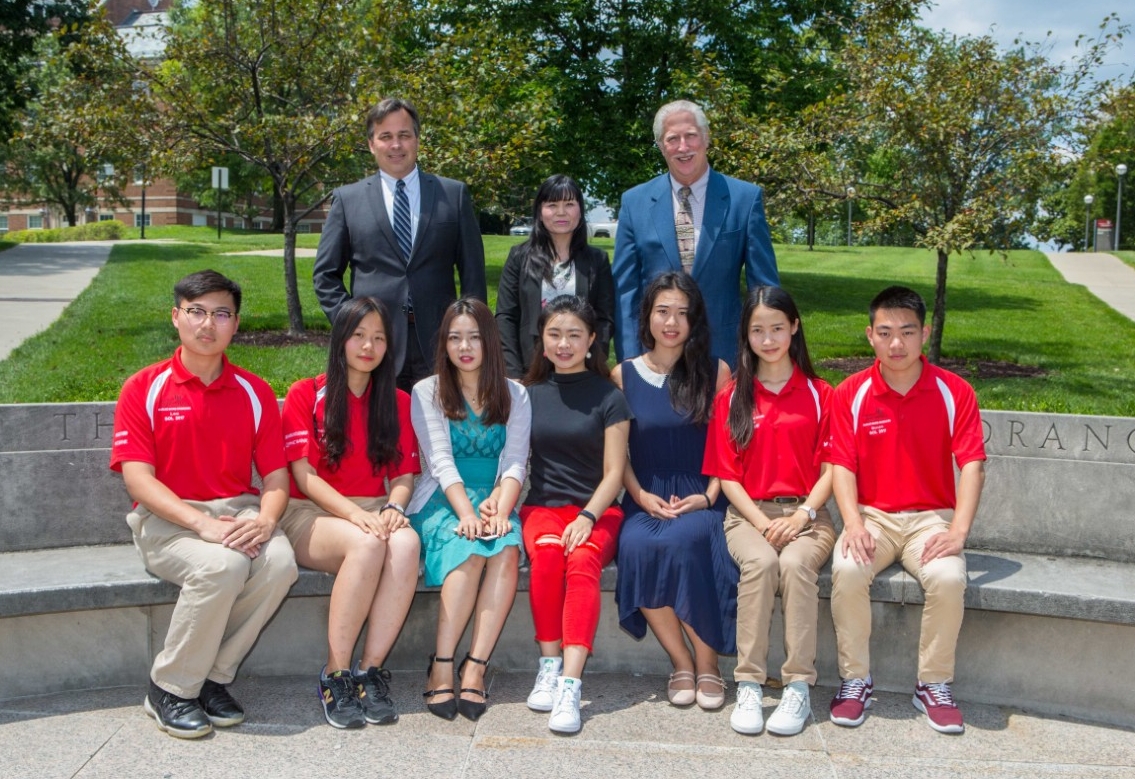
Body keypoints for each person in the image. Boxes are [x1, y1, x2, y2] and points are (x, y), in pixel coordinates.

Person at [110, 270, 298, 739]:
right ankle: (169, 687)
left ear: (235, 324)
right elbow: (137, 477)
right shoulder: (144, 388)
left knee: (279, 562)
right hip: (166, 520)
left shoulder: (254, 392)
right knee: (222, 568)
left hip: (238, 512)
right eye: (196, 311)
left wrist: (268, 520)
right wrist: (201, 524)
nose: (207, 323)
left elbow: (276, 477)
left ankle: (212, 677)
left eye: (221, 313)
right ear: (176, 317)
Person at [827, 285, 986, 734]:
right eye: (885, 332)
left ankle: (932, 684)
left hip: (931, 518)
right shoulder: (851, 393)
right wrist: (853, 522)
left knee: (949, 577)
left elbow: (972, 465)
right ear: (870, 336)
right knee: (848, 568)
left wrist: (957, 532)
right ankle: (855, 679)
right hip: (872, 515)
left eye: (907, 332)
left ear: (925, 333)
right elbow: (841, 465)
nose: (897, 343)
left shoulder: (955, 391)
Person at [279, 296, 421, 729]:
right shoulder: (306, 393)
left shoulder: (396, 401)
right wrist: (355, 517)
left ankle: (368, 672)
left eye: (379, 337)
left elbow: (404, 474)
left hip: (374, 510)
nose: (368, 346)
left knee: (407, 542)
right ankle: (335, 674)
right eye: (359, 335)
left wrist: (395, 506)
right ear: (340, 338)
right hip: (311, 513)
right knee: (366, 544)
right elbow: (304, 479)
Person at [703, 286, 836, 737]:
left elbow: (834, 468)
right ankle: (749, 683)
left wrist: (803, 516)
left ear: (794, 327)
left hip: (808, 514)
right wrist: (763, 523)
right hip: (747, 515)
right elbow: (728, 475)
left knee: (797, 566)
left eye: (777, 327)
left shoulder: (821, 393)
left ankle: (798, 684)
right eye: (757, 330)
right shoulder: (732, 395)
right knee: (760, 564)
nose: (768, 338)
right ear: (746, 335)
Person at [611, 272, 735, 711]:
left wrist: (709, 496)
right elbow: (616, 454)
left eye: (683, 313)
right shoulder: (623, 375)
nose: (672, 321)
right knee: (638, 545)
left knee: (688, 543)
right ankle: (681, 661)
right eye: (663, 311)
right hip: (646, 495)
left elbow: (729, 447)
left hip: (701, 494)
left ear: (695, 320)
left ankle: (709, 665)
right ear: (647, 317)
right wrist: (639, 495)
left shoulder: (717, 372)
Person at [408, 298, 531, 721]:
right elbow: (439, 461)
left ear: (490, 343)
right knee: (472, 548)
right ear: (444, 343)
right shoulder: (427, 391)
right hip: (443, 498)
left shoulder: (515, 393)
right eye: (455, 337)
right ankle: (441, 664)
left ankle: (475, 666)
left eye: (474, 337)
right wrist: (466, 513)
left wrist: (501, 504)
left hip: (495, 496)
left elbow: (516, 460)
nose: (464, 346)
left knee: (507, 547)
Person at [312, 97, 487, 392]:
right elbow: (325, 275)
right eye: (386, 137)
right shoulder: (347, 199)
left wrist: (469, 331)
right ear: (371, 144)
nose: (396, 145)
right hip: (376, 347)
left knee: (437, 433)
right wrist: (353, 326)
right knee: (380, 433)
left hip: (440, 343)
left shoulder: (453, 195)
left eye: (404, 135)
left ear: (417, 140)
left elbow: (473, 273)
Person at [520, 295, 632, 734]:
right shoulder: (526, 396)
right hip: (543, 508)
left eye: (573, 335)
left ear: (591, 341)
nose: (563, 343)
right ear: (542, 341)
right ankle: (548, 664)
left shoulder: (610, 397)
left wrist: (587, 516)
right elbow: (514, 461)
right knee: (547, 559)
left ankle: (570, 683)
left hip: (597, 509)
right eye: (554, 334)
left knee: (582, 561)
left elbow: (614, 473)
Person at [612, 99, 778, 369]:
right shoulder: (635, 203)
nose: (683, 147)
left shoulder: (744, 200)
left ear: (706, 138)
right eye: (672, 139)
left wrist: (765, 356)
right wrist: (630, 362)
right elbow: (624, 292)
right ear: (660, 146)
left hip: (725, 355)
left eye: (690, 136)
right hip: (654, 357)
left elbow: (764, 289)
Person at [496, 174, 615, 378]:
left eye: (569, 204)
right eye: (552, 205)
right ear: (540, 212)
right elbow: (505, 316)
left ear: (580, 211)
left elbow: (605, 318)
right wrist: (512, 372)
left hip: (581, 368)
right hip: (528, 369)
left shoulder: (597, 260)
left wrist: (592, 359)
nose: (561, 212)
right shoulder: (519, 257)